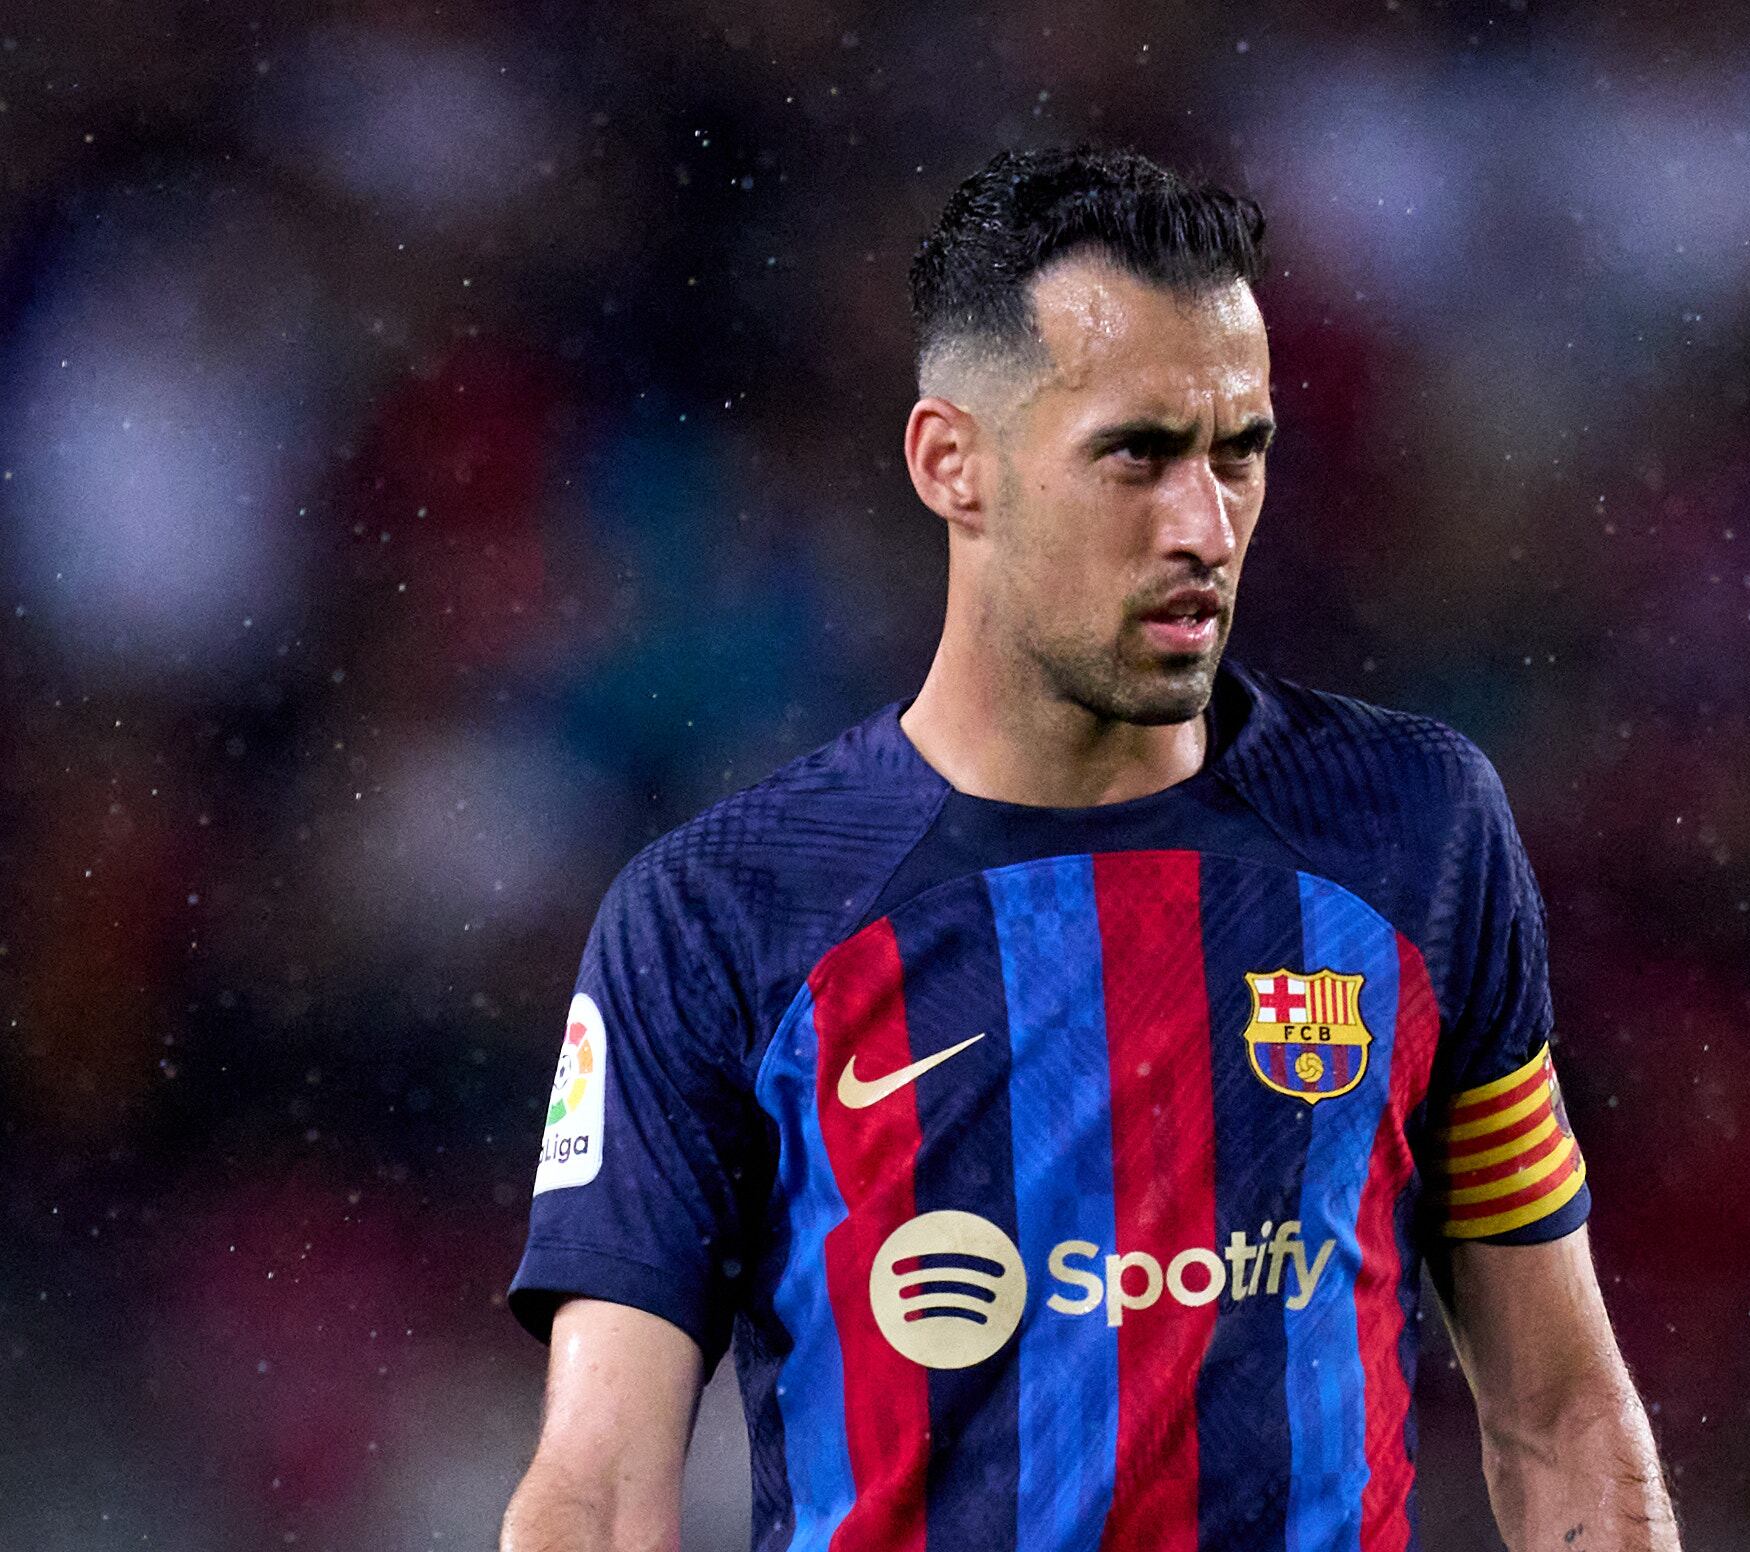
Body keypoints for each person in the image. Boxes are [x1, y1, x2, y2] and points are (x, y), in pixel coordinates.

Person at [500, 144, 1681, 1552]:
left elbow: (1561, 1415)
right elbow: (599, 1488)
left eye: (1240, 452)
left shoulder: (1414, 830)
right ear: (952, 465)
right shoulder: (721, 914)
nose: (1206, 526)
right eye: (1138, 455)